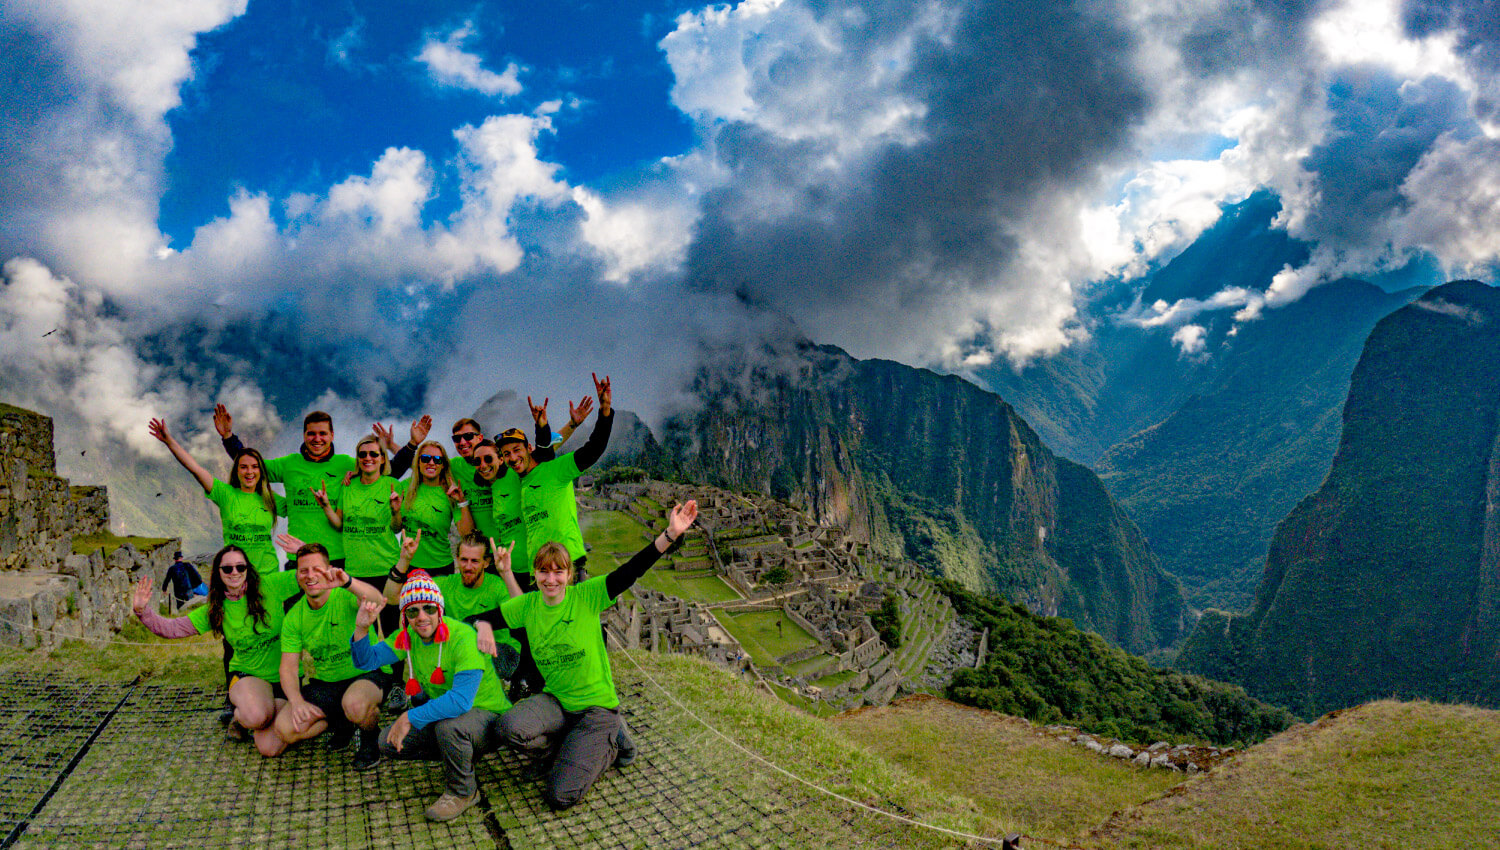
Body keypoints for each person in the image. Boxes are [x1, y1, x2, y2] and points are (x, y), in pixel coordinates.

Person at [482, 500, 697, 810]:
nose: (551, 579)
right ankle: (560, 749)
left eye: (558, 572)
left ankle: (610, 743)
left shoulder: (586, 596)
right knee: (507, 728)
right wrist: (482, 628)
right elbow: (483, 619)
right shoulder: (528, 605)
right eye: (544, 571)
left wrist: (670, 534)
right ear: (535, 574)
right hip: (556, 700)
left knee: (560, 795)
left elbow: (631, 571)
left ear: (569, 575)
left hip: (596, 709)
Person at [350, 571, 514, 821]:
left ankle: (463, 792)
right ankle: (458, 754)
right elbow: (366, 661)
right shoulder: (408, 637)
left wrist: (409, 717)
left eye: (428, 608)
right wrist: (362, 627)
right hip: (453, 715)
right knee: (388, 742)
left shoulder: (462, 637)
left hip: (489, 715)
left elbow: (461, 701)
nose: (422, 617)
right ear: (405, 616)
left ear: (439, 609)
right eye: (413, 611)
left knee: (448, 727)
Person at [132, 545, 302, 753]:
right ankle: (244, 716)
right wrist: (143, 612)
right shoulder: (216, 607)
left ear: (248, 569)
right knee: (257, 716)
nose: (235, 573)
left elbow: (310, 577)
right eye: (227, 568)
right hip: (249, 675)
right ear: (218, 572)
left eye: (240, 567)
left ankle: (270, 711)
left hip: (286, 676)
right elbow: (173, 628)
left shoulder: (271, 586)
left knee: (270, 748)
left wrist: (304, 553)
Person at [270, 542, 391, 768]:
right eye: (303, 570)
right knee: (284, 729)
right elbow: (287, 667)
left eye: (317, 569)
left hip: (365, 674)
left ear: (329, 569)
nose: (310, 575)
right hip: (326, 683)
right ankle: (341, 722)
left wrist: (348, 582)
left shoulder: (345, 596)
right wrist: (296, 702)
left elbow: (376, 599)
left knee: (355, 704)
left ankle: (370, 738)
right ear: (296, 575)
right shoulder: (294, 617)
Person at [494, 375, 614, 587]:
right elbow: (545, 448)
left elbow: (594, 448)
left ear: (528, 449)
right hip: (539, 571)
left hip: (567, 567)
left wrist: (604, 410)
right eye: (506, 454)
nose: (512, 458)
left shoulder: (555, 470)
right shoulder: (519, 480)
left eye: (516, 450)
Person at [215, 408, 356, 569]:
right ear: (304, 435)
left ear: (332, 435)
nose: (317, 439)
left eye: (323, 433)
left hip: (336, 559)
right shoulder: (290, 464)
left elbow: (381, 473)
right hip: (298, 558)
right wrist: (228, 437)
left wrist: (390, 449)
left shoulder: (346, 464)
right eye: (311, 433)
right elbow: (252, 465)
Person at [150, 419, 284, 576]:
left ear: (261, 471)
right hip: (235, 576)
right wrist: (169, 441)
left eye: (255, 467)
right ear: (236, 471)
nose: (249, 472)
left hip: (269, 576)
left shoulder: (270, 499)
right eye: (244, 467)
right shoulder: (226, 494)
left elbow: (301, 510)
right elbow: (195, 469)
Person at [316, 433, 403, 636]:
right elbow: (339, 524)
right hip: (356, 570)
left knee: (392, 629)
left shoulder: (392, 485)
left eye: (374, 453)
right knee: (363, 629)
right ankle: (369, 669)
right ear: (357, 459)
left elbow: (397, 528)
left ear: (383, 458)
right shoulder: (348, 486)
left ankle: (396, 669)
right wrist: (326, 506)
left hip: (386, 568)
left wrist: (396, 511)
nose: (368, 458)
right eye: (362, 454)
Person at [399, 441, 474, 577]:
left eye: (438, 460)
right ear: (418, 462)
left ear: (443, 464)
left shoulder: (450, 492)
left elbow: (466, 533)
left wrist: (462, 502)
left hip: (440, 567)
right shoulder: (405, 487)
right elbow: (395, 528)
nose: (431, 463)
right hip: (407, 564)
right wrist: (394, 512)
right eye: (426, 458)